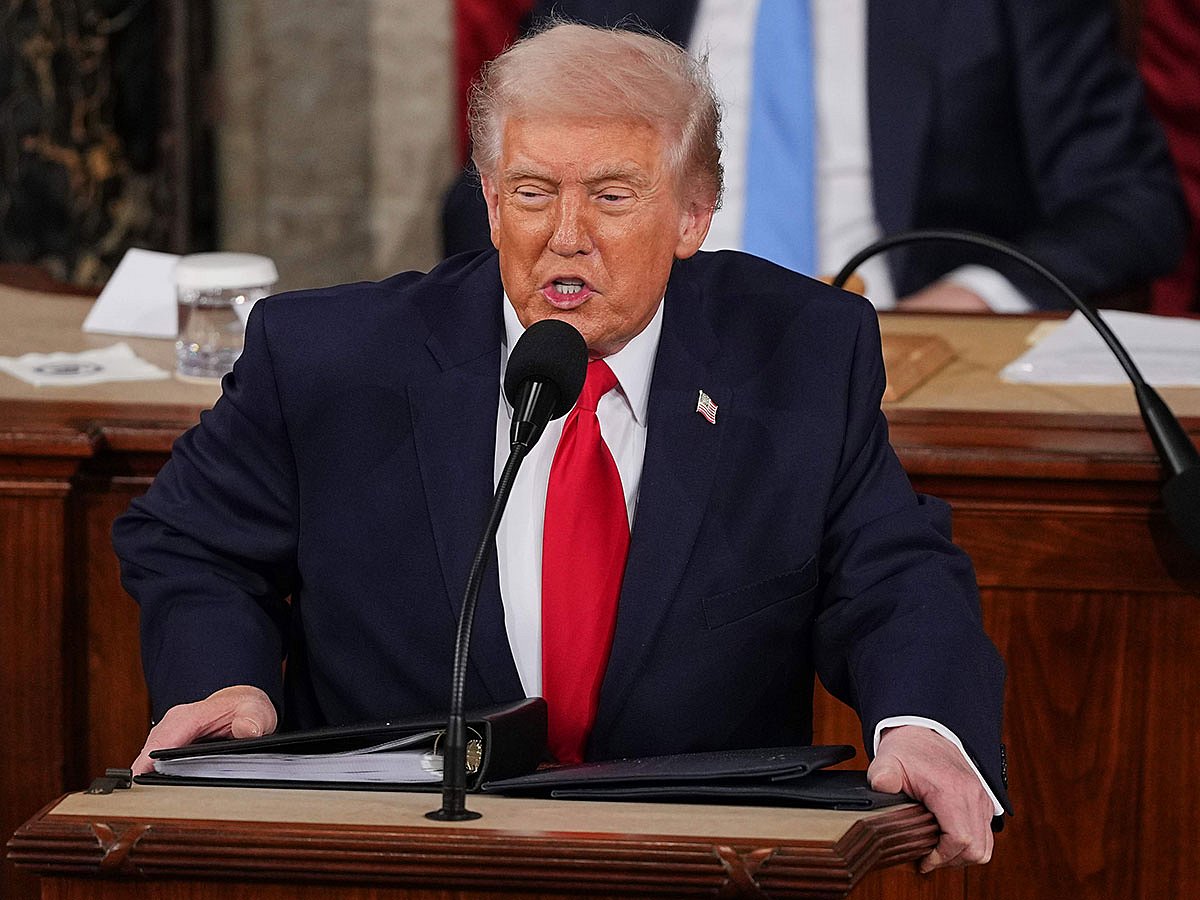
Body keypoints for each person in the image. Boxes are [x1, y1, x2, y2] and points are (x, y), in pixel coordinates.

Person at [114, 22, 1009, 871]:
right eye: (534, 192)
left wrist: (924, 724)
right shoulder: (330, 361)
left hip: (692, 860)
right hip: (396, 855)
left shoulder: (802, 355)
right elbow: (192, 542)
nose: (565, 236)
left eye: (612, 196)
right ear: (494, 205)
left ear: (695, 216)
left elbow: (892, 574)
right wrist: (224, 679)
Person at [442, 0, 1187, 313]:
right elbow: (493, 190)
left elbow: (1133, 203)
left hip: (905, 361)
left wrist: (973, 299)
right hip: (642, 337)